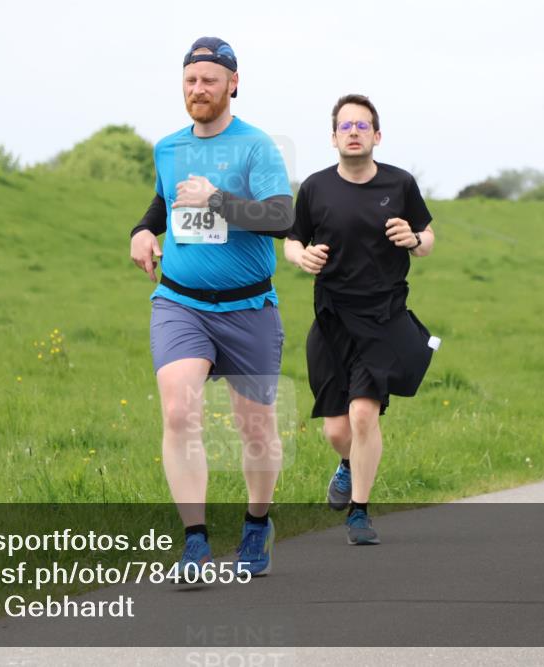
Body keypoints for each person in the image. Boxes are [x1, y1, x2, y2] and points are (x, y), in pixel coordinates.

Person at [129, 37, 294, 576]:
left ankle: (255, 524)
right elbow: (164, 197)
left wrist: (218, 200)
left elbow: (281, 218)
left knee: (255, 430)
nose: (198, 89)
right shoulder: (168, 147)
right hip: (181, 303)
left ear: (233, 84)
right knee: (179, 413)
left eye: (209, 80)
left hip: (249, 308)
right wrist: (143, 230)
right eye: (190, 81)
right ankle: (195, 541)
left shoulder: (256, 147)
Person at [284, 94, 436, 544]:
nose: (353, 132)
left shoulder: (400, 183)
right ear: (333, 137)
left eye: (362, 125)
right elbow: (292, 240)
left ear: (377, 135)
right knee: (337, 429)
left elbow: (428, 238)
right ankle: (347, 463)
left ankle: (359, 513)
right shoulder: (315, 187)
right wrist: (301, 257)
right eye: (345, 126)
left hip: (384, 317)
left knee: (364, 416)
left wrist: (413, 239)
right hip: (332, 318)